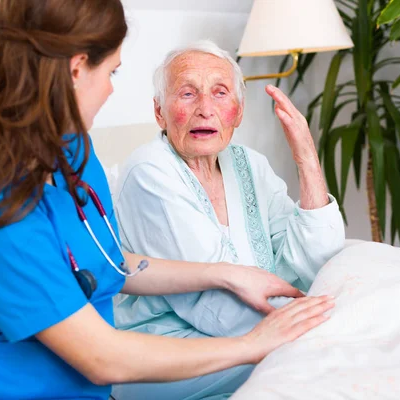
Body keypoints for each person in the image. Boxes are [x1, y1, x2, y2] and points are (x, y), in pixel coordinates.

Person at [0, 2, 335, 399]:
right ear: (77, 70)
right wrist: (252, 346)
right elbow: (101, 358)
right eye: (112, 72)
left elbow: (105, 263)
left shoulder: (70, 148)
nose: (112, 90)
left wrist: (225, 274)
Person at [112, 41, 345, 399]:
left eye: (220, 93)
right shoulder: (149, 172)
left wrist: (306, 159)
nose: (205, 109)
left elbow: (315, 261)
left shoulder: (249, 163)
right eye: (187, 93)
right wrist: (321, 331)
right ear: (159, 112)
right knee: (321, 366)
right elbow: (210, 305)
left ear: (238, 112)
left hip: (254, 333)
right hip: (168, 349)